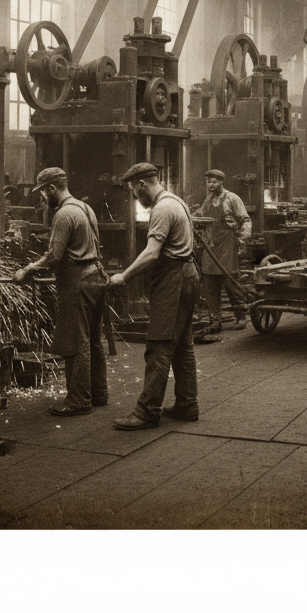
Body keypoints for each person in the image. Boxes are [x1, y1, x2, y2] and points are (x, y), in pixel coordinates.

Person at [107, 163, 201, 429]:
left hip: (175, 281)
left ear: (142, 185)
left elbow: (151, 253)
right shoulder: (176, 201)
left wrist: (123, 277)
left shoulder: (162, 209)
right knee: (182, 344)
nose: (135, 197)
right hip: (188, 276)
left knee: (159, 346)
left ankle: (147, 411)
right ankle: (187, 403)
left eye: (134, 192)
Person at [13, 167, 109, 417]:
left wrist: (27, 270)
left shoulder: (64, 214)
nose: (43, 199)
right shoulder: (85, 208)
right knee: (94, 340)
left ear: (52, 188)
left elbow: (55, 256)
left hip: (79, 282)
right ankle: (98, 393)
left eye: (43, 193)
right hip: (97, 277)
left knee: (77, 341)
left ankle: (78, 400)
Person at [198, 169, 251, 332]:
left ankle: (240, 316)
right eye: (208, 182)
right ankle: (215, 320)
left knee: (230, 281)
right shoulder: (208, 199)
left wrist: (243, 238)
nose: (211, 185)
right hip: (211, 246)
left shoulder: (231, 198)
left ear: (221, 182)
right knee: (210, 284)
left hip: (228, 247)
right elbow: (200, 214)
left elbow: (245, 219)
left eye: (214, 182)